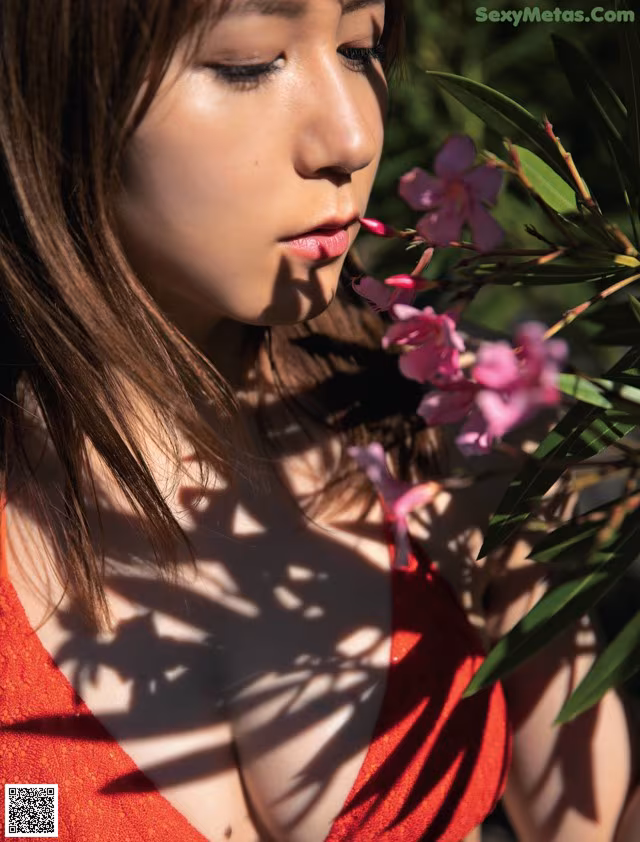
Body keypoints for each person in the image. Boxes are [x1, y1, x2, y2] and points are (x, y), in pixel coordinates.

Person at [0, 1, 634, 840]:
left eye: (360, 46)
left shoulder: (442, 421)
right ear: (45, 92)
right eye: (250, 61)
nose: (351, 137)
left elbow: (590, 822)